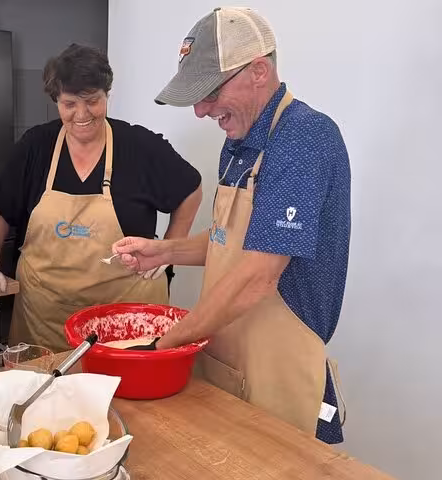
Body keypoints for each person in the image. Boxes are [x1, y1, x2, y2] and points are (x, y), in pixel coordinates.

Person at [113, 7, 350, 444]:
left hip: (278, 374)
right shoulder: (239, 143)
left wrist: (162, 348)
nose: (202, 111)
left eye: (209, 92)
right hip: (226, 361)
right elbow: (229, 241)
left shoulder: (303, 137)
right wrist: (165, 250)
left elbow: (257, 277)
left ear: (259, 70)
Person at [0, 44, 203, 352]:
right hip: (46, 322)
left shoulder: (139, 146)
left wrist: (169, 250)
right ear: (56, 101)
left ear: (107, 95)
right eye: (69, 104)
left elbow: (190, 191)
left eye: (93, 101)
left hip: (125, 324)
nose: (82, 114)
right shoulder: (36, 147)